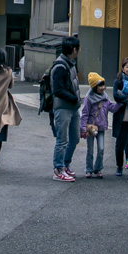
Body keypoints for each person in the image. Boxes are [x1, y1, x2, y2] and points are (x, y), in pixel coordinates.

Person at [49, 36, 81, 182]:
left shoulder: (71, 64)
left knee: (74, 138)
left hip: (73, 107)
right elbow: (58, 90)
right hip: (63, 107)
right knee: (62, 140)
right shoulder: (60, 67)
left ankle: (65, 164)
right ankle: (58, 169)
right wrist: (74, 98)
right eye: (78, 48)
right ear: (74, 50)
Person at [79, 72, 117, 178]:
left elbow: (112, 108)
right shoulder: (89, 98)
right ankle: (89, 169)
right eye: (100, 85)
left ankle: (98, 168)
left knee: (101, 149)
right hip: (91, 128)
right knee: (90, 150)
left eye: (103, 85)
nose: (102, 87)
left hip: (101, 128)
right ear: (94, 87)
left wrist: (121, 103)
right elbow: (85, 114)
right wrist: (83, 128)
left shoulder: (105, 97)